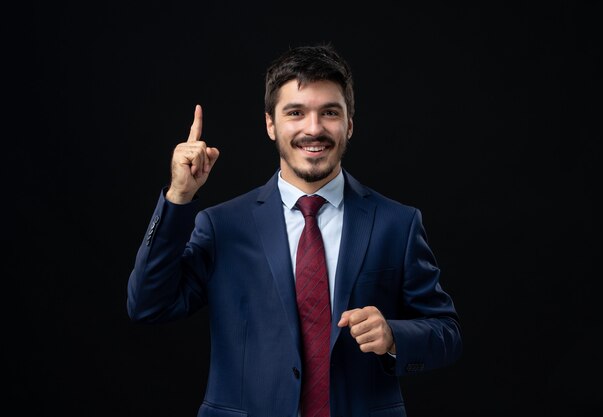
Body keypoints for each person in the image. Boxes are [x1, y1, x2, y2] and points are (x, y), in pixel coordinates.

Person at [127, 43, 462, 417]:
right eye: (296, 113)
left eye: (330, 113)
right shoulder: (222, 226)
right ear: (271, 124)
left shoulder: (397, 224)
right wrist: (178, 198)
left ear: (349, 123)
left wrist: (394, 337)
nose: (313, 129)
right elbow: (147, 304)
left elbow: (446, 333)